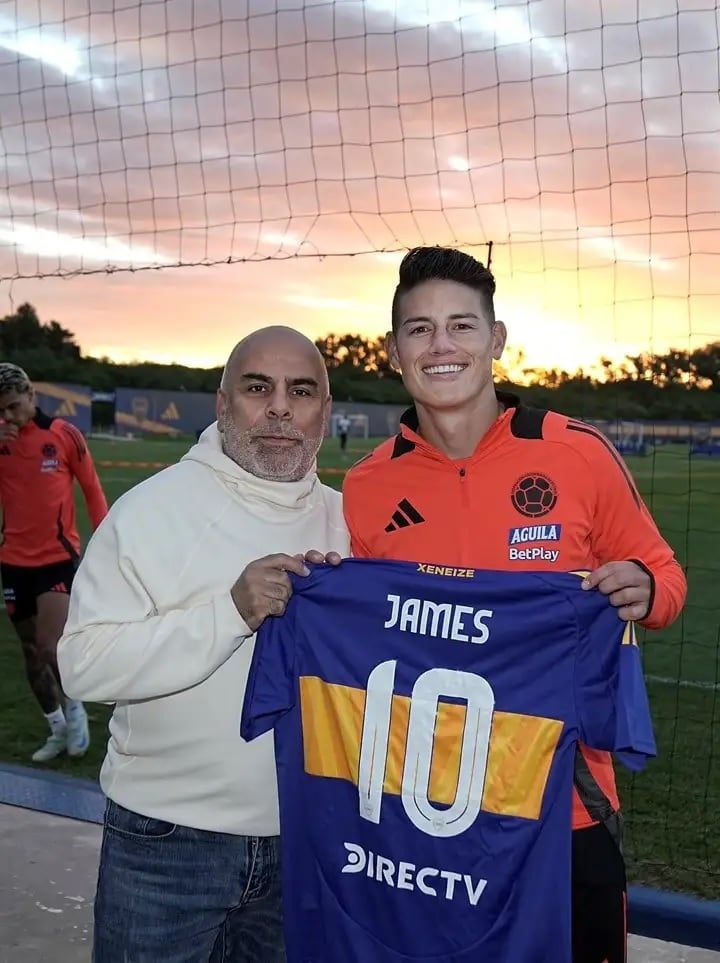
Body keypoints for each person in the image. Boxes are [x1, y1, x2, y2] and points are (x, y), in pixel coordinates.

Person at [342, 247, 687, 963]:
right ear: (394, 349)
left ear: (496, 341)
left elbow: (665, 578)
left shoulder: (577, 454)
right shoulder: (367, 486)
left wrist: (644, 589)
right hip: (430, 812)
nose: (441, 346)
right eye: (419, 329)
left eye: (462, 326)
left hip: (568, 808)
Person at [58, 326, 349, 963]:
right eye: (257, 388)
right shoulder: (149, 511)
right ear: (222, 403)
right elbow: (82, 666)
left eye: (300, 392)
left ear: (325, 413)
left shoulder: (351, 521)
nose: (279, 408)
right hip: (165, 844)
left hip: (310, 841)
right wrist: (230, 613)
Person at [0, 363, 107, 762]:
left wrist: (106, 539)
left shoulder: (63, 435)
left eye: (12, 406)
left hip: (57, 560)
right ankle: (56, 728)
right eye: (1, 410)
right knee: (30, 652)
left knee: (50, 647)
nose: (8, 416)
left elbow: (92, 489)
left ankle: (76, 711)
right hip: (12, 561)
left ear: (31, 394)